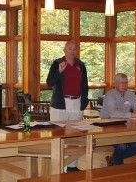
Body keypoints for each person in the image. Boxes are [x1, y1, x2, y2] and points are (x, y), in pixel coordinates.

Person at [46, 41, 89, 172]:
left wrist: (84, 101)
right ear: (64, 50)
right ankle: (58, 167)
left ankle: (72, 166)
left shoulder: (80, 65)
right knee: (59, 135)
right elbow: (49, 82)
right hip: (60, 104)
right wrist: (59, 71)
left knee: (75, 135)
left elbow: (85, 85)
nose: (73, 51)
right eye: (70, 48)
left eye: (75, 48)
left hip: (77, 102)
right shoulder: (57, 63)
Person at [101, 73, 136, 166]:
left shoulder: (130, 94)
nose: (125, 85)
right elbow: (112, 113)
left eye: (126, 83)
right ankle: (119, 170)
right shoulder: (110, 95)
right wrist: (132, 114)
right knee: (121, 146)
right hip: (109, 128)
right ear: (116, 84)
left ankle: (113, 159)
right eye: (122, 83)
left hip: (125, 127)